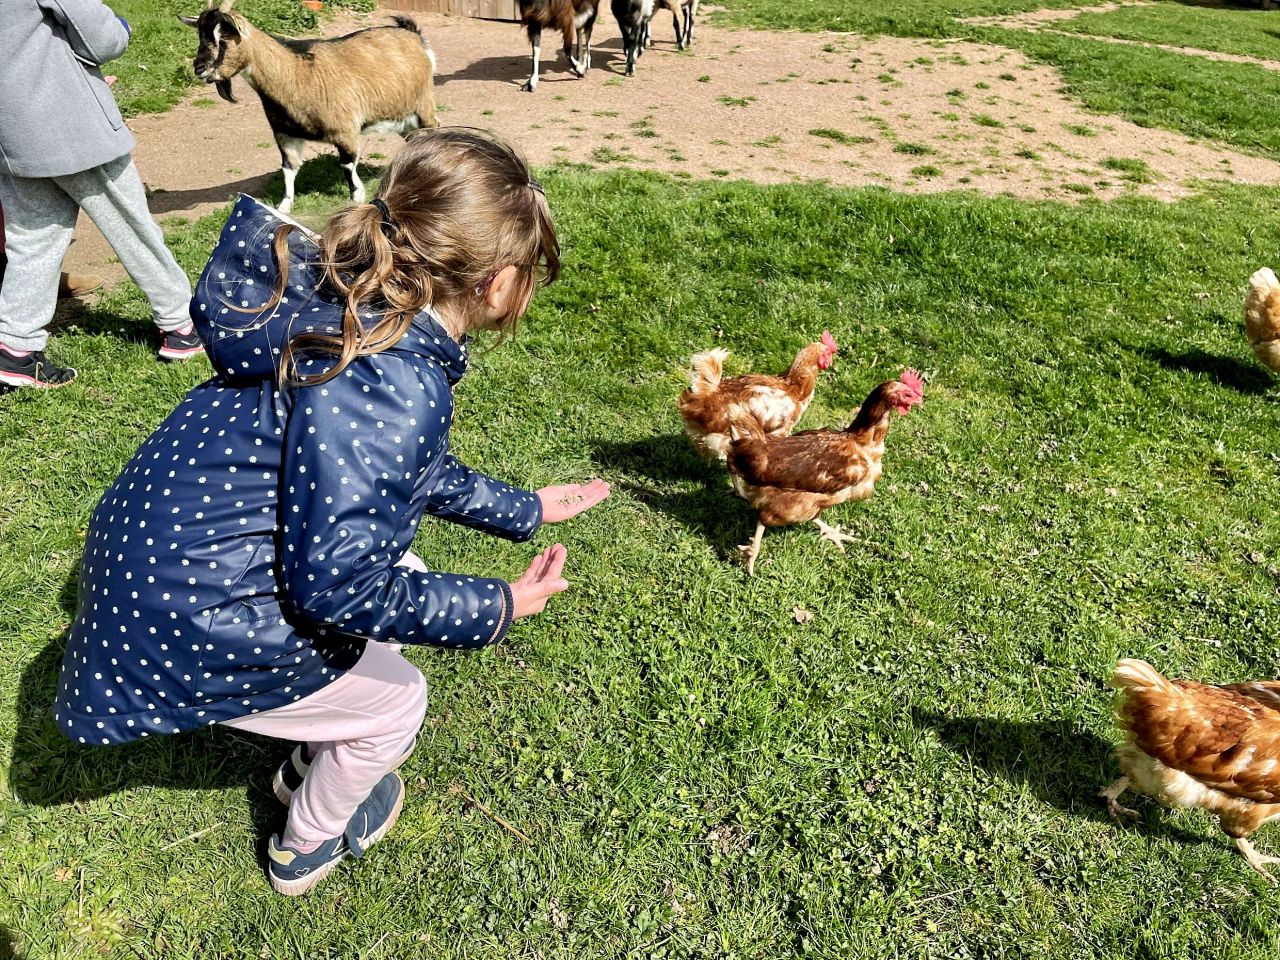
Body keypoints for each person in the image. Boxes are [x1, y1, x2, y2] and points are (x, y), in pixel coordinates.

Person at [54, 129, 611, 896]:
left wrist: (524, 507)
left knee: (402, 569)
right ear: (499, 283)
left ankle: (310, 750)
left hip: (162, 569)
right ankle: (304, 845)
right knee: (399, 705)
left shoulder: (352, 305)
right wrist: (497, 604)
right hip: (189, 618)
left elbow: (391, 469)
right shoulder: (397, 384)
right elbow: (338, 588)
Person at [0, 2, 203, 390]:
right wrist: (120, 27)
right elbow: (102, 39)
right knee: (131, 225)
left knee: (32, 241)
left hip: (11, 135)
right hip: (70, 121)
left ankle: (16, 348)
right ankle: (181, 324)